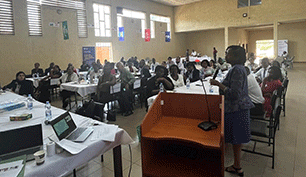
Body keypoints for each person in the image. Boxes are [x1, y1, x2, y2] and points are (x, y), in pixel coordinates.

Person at [210, 45, 254, 176]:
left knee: (235, 139)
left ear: (236, 56)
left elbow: (234, 94)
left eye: (228, 53)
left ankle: (235, 166)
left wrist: (218, 84)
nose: (225, 55)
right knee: (236, 140)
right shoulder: (237, 69)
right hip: (237, 109)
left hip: (237, 110)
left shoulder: (237, 70)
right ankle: (237, 166)